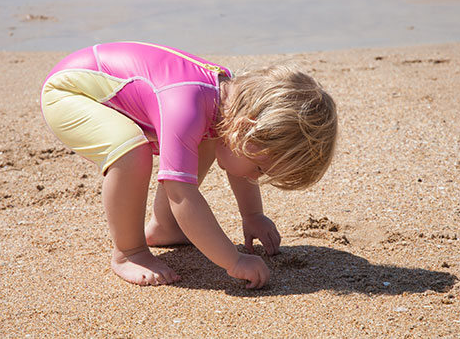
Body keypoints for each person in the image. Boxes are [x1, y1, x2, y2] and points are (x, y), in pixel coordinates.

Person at [40, 41, 337, 289]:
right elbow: (180, 193)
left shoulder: (229, 105)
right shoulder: (187, 108)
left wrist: (253, 214)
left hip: (111, 92)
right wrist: (233, 261)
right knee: (132, 153)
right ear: (246, 129)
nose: (255, 176)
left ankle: (166, 228)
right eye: (260, 169)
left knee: (209, 136)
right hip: (69, 92)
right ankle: (129, 252)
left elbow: (239, 159)